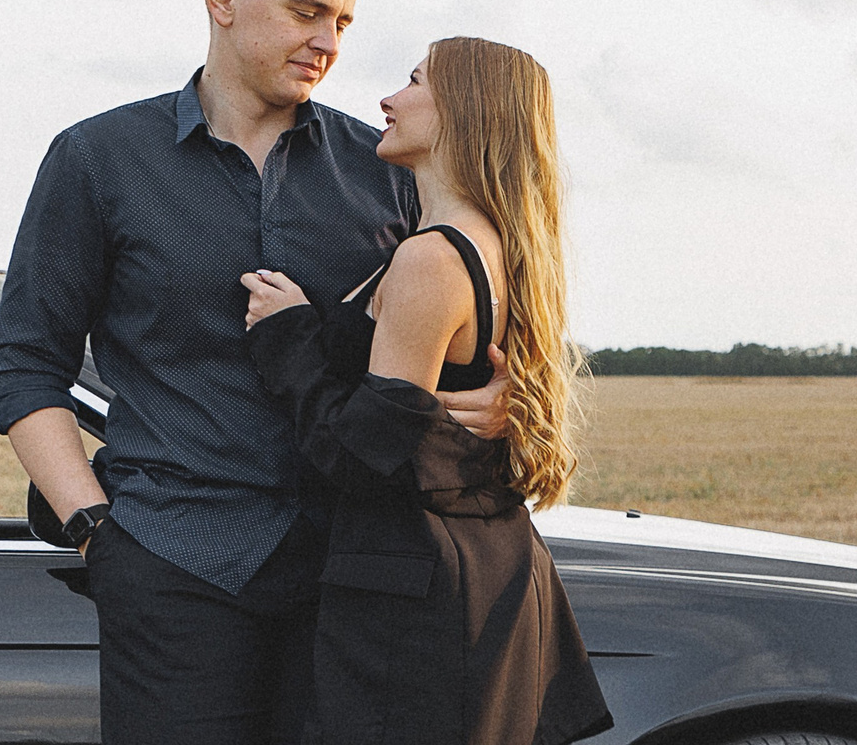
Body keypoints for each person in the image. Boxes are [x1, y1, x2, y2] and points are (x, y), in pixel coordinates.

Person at [0, 0, 512, 745]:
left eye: (342, 20)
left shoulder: (386, 172)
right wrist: (97, 535)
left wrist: (497, 393)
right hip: (170, 569)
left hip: (354, 581)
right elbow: (25, 368)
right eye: (308, 12)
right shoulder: (98, 159)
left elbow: (466, 317)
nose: (331, 43)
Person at [240, 37, 609, 745]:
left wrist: (286, 337)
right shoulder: (495, 245)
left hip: (416, 597)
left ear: (464, 112)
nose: (388, 98)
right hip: (483, 573)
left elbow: (360, 455)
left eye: (413, 82)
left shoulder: (431, 259)